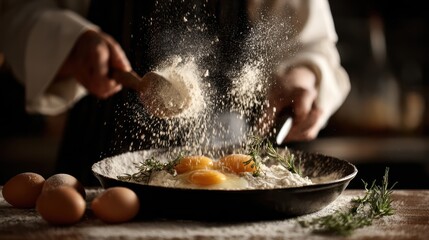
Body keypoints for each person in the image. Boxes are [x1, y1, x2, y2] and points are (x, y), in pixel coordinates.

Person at [0, 0, 350, 184]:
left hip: (236, 162)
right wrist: (70, 44)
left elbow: (311, 43)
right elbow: (15, 12)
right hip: (96, 167)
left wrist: (304, 78)